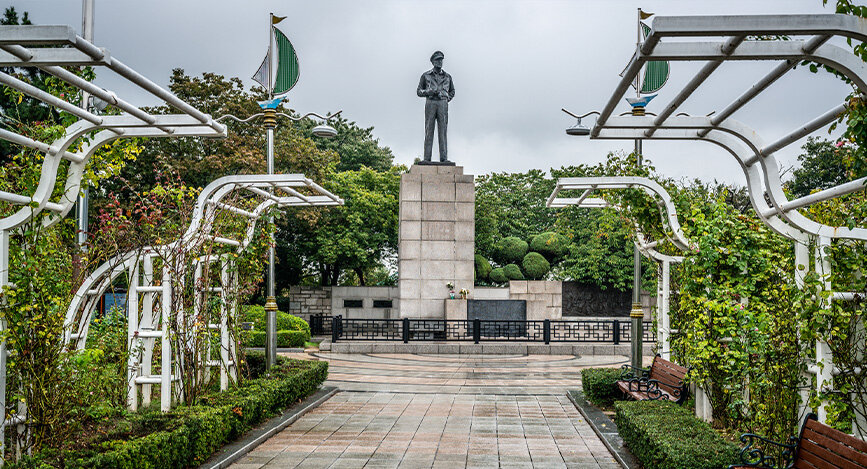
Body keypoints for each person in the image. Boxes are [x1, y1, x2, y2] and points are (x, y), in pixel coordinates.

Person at [417, 50, 455, 163]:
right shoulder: (426, 75)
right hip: (431, 102)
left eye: (441, 60)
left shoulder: (448, 77)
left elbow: (452, 91)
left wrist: (447, 98)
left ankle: (444, 158)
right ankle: (426, 158)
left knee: (443, 130)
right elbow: (419, 91)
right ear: (433, 62)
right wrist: (428, 92)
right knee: (429, 129)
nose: (440, 62)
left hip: (443, 103)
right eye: (437, 60)